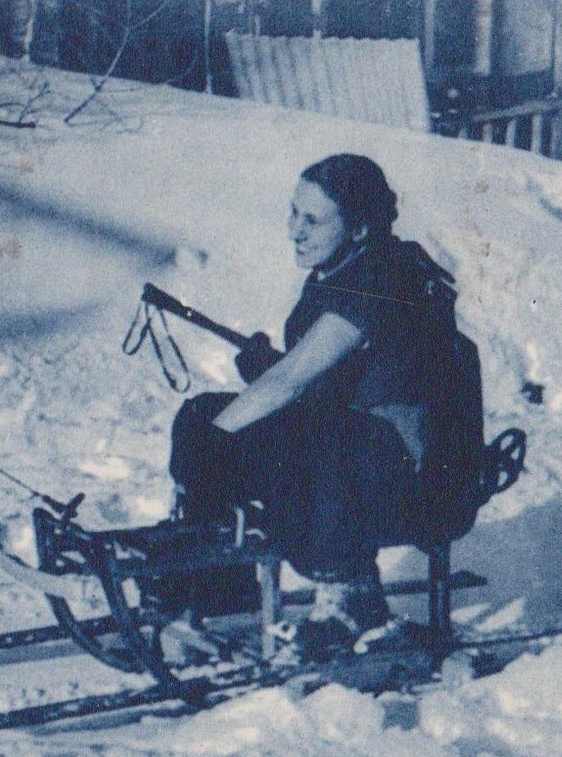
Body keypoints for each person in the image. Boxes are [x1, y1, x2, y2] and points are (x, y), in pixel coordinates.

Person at [167, 154, 455, 661]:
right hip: (365, 445)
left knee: (256, 434)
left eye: (313, 219)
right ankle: (209, 580)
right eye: (293, 213)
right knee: (203, 413)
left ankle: (349, 598)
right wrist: (264, 374)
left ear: (361, 225)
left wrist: (222, 433)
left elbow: (296, 381)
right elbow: (329, 373)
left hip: (407, 467)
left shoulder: (381, 273)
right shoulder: (346, 265)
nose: (294, 231)